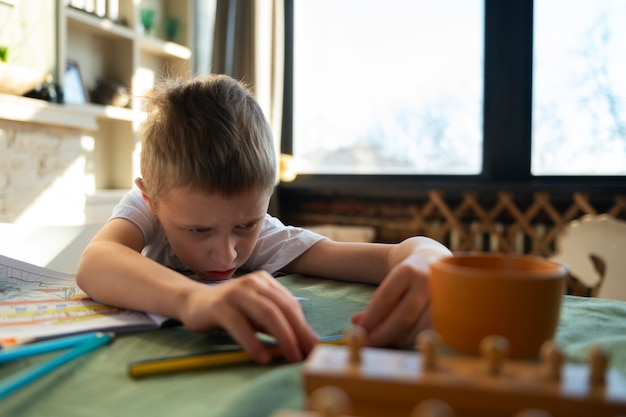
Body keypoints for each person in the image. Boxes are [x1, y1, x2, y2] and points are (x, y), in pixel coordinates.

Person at [76, 74, 452, 364]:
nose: (226, 255)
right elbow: (95, 261)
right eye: (198, 230)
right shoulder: (148, 209)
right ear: (151, 200)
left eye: (246, 225)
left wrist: (431, 259)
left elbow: (389, 258)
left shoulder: (266, 237)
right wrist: (193, 301)